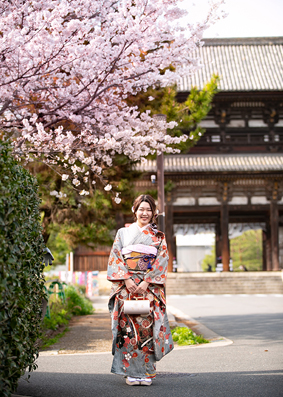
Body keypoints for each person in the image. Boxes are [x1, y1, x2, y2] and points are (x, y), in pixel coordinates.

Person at [107, 194, 174, 386]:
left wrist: (146, 282)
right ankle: (130, 373)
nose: (144, 213)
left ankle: (146, 373)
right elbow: (116, 256)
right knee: (127, 330)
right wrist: (127, 279)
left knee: (147, 330)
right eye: (141, 209)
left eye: (148, 210)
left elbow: (162, 260)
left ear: (154, 213)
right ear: (134, 210)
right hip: (127, 287)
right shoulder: (122, 233)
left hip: (148, 289)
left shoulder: (158, 237)